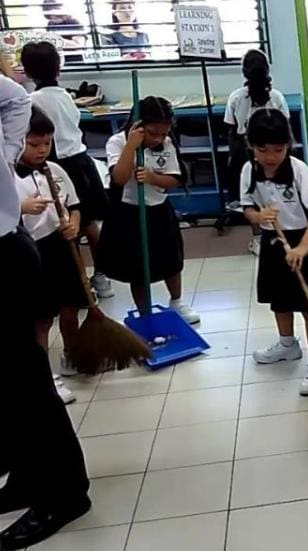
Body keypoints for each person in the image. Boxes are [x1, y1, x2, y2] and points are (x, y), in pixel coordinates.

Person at [0, 71, 91, 551]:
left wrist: (10, 150)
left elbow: (13, 97)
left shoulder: (12, 103)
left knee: (26, 379)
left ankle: (63, 492)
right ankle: (29, 474)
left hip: (2, 248)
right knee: (6, 382)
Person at [241, 109, 308, 396]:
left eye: (278, 149)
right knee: (280, 300)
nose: (271, 156)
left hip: (307, 239)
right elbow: (247, 207)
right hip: (275, 240)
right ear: (251, 145)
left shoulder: (297, 169)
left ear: (289, 145)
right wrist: (258, 217)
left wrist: (303, 247)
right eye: (263, 149)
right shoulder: (249, 170)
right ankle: (287, 345)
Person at [20, 41, 114, 302]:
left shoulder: (32, 100)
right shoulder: (65, 96)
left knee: (66, 227)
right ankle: (101, 277)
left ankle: (82, 283)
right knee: (89, 223)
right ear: (58, 68)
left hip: (59, 166)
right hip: (81, 162)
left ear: (27, 72)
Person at [96, 96, 200, 324]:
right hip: (128, 213)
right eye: (153, 133)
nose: (158, 139)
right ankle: (145, 314)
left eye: (163, 133)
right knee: (138, 268)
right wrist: (131, 147)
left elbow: (175, 179)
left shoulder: (167, 144)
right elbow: (119, 178)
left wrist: (153, 178)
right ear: (137, 126)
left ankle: (177, 302)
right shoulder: (117, 142)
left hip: (158, 210)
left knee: (171, 260)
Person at [15, 107, 87, 403]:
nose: (42, 150)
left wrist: (74, 225)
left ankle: (72, 355)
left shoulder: (55, 170)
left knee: (71, 305)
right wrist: (21, 208)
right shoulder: (8, 178)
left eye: (47, 143)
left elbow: (76, 206)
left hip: (60, 245)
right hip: (31, 250)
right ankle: (43, 375)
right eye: (34, 144)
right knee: (41, 317)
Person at [225, 49, 290, 257]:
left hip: (247, 152)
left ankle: (257, 239)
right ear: (267, 70)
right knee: (276, 193)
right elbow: (286, 126)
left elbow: (232, 129)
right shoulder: (277, 97)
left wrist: (233, 158)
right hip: (275, 153)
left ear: (244, 72)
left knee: (252, 197)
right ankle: (283, 232)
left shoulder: (235, 97)